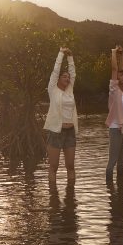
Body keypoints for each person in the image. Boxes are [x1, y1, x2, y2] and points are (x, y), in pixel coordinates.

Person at [44, 47, 78, 191]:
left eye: (68, 77)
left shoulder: (70, 89)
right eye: (64, 77)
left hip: (70, 132)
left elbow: (73, 73)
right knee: (54, 166)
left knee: (70, 165)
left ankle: (71, 196)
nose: (68, 78)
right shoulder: (52, 89)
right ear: (58, 79)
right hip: (56, 132)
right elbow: (55, 71)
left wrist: (70, 57)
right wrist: (61, 54)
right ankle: (53, 196)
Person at [105, 45, 123, 183]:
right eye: (120, 76)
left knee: (122, 161)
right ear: (116, 79)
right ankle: (110, 191)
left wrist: (122, 55)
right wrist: (114, 52)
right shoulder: (114, 89)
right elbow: (115, 69)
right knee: (113, 161)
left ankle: (121, 190)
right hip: (115, 128)